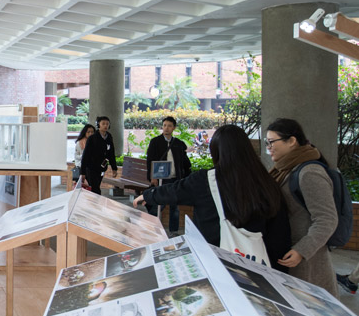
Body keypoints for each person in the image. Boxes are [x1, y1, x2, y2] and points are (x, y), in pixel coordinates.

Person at [133, 125, 291, 269]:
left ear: (216, 151)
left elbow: (175, 191)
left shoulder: (206, 180)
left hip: (213, 260)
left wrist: (148, 195)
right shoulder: (266, 181)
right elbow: (279, 233)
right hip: (256, 264)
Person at [266, 118, 339, 295]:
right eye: (266, 143)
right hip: (288, 253)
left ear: (291, 141)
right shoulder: (285, 169)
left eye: (272, 142)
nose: (268, 147)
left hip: (305, 261)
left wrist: (301, 250)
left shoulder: (309, 173)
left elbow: (327, 219)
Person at [145, 116, 192, 236]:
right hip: (161, 179)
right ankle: (152, 229)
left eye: (169, 126)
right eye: (165, 125)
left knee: (174, 207)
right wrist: (152, 177)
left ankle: (173, 231)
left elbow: (185, 163)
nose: (166, 128)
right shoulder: (155, 142)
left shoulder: (178, 144)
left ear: (174, 128)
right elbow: (150, 160)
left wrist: (184, 177)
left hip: (175, 179)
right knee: (157, 205)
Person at [80, 116, 118, 195]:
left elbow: (111, 153)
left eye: (107, 124)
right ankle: (96, 203)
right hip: (91, 167)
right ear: (98, 125)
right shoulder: (92, 138)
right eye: (103, 124)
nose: (105, 126)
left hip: (102, 167)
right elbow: (85, 155)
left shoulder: (109, 137)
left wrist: (114, 168)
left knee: (96, 186)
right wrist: (82, 172)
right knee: (95, 188)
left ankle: (93, 203)